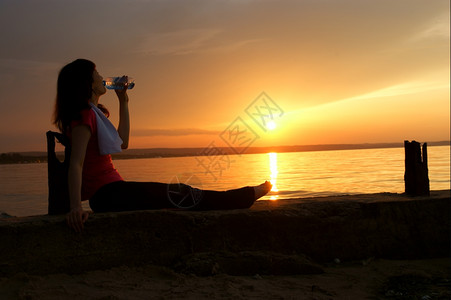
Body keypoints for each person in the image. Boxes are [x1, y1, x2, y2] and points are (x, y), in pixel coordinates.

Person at [53, 59, 272, 232]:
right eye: (96, 72)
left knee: (178, 194)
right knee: (179, 193)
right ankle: (244, 196)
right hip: (106, 195)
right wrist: (75, 207)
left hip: (115, 191)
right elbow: (76, 164)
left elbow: (124, 142)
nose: (101, 76)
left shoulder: (95, 114)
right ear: (87, 82)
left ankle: (242, 196)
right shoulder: (83, 117)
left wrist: (123, 101)